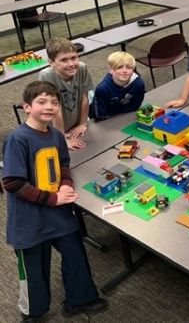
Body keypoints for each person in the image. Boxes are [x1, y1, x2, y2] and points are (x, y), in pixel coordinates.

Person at [2, 81, 106, 321]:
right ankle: (33, 313)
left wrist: (66, 185)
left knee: (75, 253)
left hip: (57, 212)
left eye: (54, 102)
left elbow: (63, 164)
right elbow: (13, 183)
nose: (49, 107)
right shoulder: (17, 139)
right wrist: (54, 198)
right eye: (41, 102)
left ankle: (79, 299)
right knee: (34, 271)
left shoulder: (57, 135)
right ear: (26, 107)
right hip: (29, 220)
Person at [38, 37, 94, 150]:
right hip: (54, 130)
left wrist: (82, 124)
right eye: (64, 60)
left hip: (74, 124)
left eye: (74, 58)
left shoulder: (82, 68)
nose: (71, 64)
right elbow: (54, 109)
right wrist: (62, 139)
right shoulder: (46, 76)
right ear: (51, 62)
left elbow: (84, 98)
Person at [89, 51, 145, 120]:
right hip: (105, 121)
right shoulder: (103, 88)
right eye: (119, 67)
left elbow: (135, 106)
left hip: (125, 117)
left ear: (133, 69)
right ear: (110, 70)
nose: (124, 71)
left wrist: (116, 111)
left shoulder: (138, 84)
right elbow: (99, 115)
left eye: (128, 67)